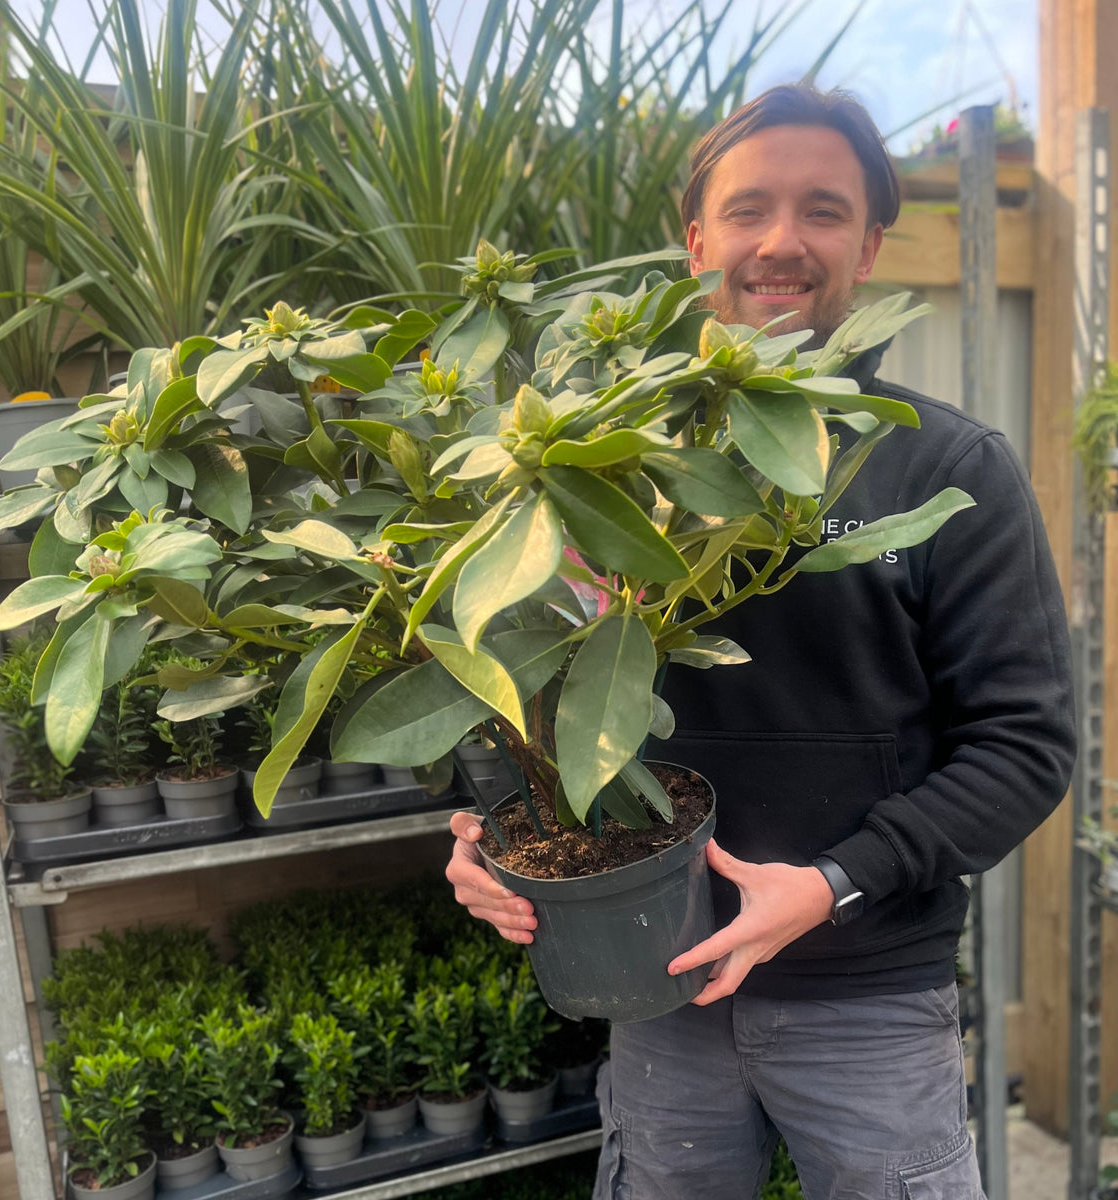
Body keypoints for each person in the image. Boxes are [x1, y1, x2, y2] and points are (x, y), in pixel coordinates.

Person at [445, 84, 1075, 1199]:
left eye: (824, 210)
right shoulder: (595, 463)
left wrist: (837, 882)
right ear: (697, 240)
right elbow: (515, 678)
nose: (782, 242)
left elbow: (1024, 746)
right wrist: (490, 832)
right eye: (749, 210)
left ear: (871, 245)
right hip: (660, 989)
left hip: (870, 1003)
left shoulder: (946, 470)